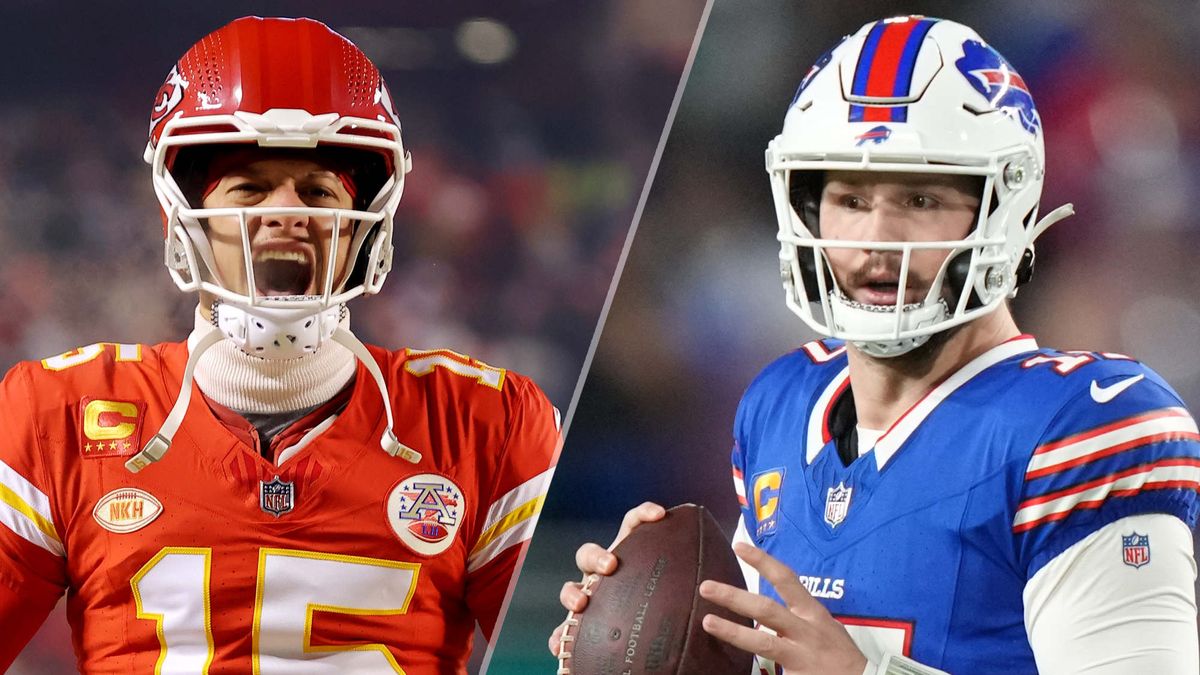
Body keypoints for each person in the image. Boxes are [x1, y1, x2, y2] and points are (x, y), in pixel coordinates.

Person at [553, 15, 1199, 674]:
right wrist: (645, 634)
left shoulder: (1085, 426)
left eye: (919, 197)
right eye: (851, 198)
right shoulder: (784, 401)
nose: (878, 237)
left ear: (1006, 209)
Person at [0, 16, 560, 673]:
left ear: (367, 222)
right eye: (251, 186)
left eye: (318, 190)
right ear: (180, 213)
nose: (287, 212)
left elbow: (574, 649)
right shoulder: (56, 415)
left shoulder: (483, 422)